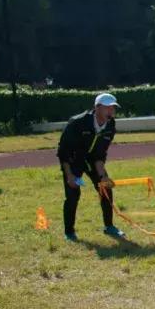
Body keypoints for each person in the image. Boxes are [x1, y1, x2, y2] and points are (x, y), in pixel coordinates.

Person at [56, 93, 125, 242]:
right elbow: (63, 152)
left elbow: (100, 154)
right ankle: (69, 232)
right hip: (73, 159)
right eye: (107, 108)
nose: (111, 111)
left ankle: (109, 226)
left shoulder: (111, 125)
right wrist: (70, 175)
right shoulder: (77, 123)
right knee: (73, 194)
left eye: (113, 108)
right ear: (97, 108)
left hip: (93, 160)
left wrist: (102, 176)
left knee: (105, 188)